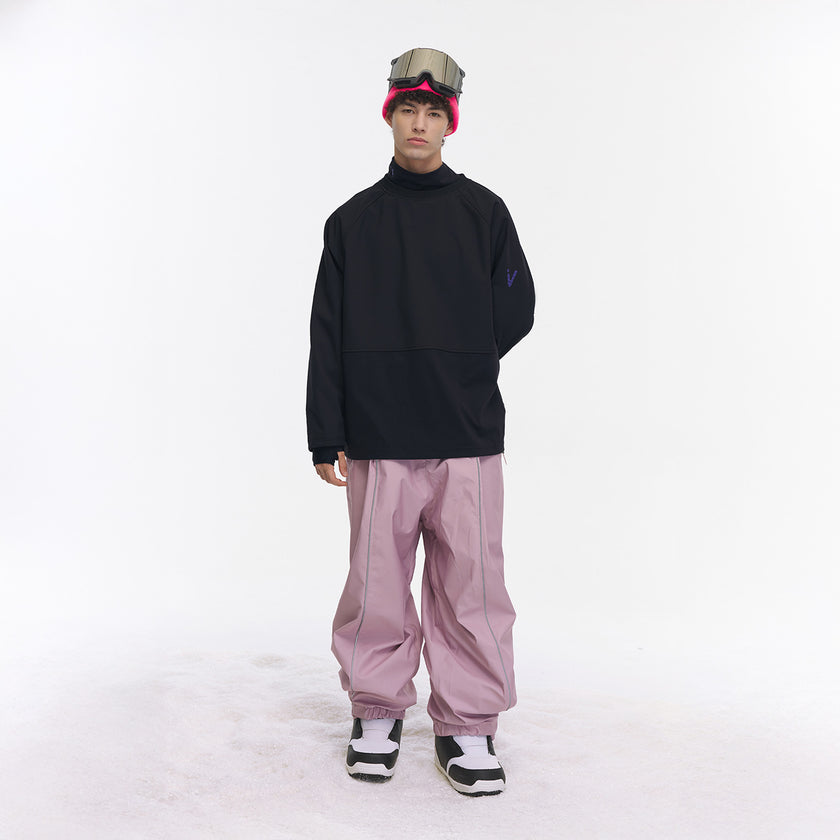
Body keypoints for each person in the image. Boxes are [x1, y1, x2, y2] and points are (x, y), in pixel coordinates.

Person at [306, 47, 535, 796]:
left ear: (450, 123)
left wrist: (457, 363)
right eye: (407, 109)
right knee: (376, 583)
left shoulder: (484, 213)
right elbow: (327, 332)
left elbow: (518, 305)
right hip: (377, 435)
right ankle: (377, 711)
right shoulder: (353, 222)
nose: (419, 123)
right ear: (390, 116)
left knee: (472, 585)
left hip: (465, 435)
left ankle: (468, 722)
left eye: (433, 112)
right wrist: (326, 429)